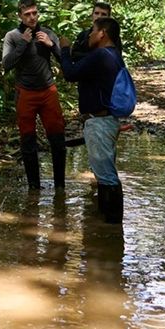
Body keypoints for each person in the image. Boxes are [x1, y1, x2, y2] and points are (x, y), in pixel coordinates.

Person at [59, 16, 127, 223]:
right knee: (105, 174)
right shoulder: (113, 55)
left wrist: (63, 49)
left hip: (100, 123)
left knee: (107, 177)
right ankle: (107, 228)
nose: (88, 35)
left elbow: (70, 73)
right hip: (106, 121)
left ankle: (112, 231)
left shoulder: (100, 56)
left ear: (102, 34)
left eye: (92, 31)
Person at [1, 0, 67, 191]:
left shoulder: (47, 33)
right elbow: (6, 64)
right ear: (20, 16)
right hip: (25, 93)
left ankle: (60, 187)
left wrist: (51, 45)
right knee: (28, 141)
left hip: (48, 91)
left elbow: (65, 61)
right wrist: (23, 44)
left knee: (57, 139)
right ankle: (34, 188)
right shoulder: (12, 36)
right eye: (27, 14)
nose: (32, 17)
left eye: (34, 13)